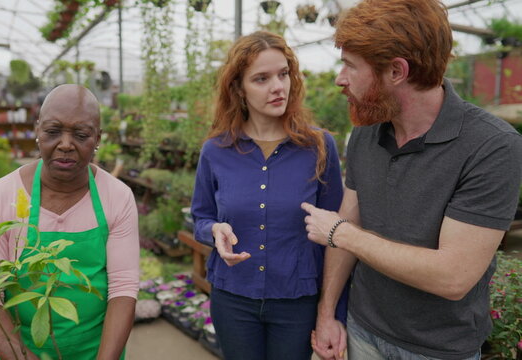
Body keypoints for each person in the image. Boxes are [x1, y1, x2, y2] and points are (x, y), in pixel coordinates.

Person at [301, 1, 522, 359]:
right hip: (362, 331)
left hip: (438, 349)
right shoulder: (366, 131)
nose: (340, 78)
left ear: (397, 71)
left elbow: (452, 277)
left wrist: (341, 233)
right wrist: (327, 314)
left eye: (350, 66)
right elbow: (350, 217)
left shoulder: (492, 146)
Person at [191, 31, 348, 360]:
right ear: (239, 89)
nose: (278, 86)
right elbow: (201, 218)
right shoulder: (215, 151)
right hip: (233, 299)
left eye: (283, 73)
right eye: (261, 79)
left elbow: (338, 235)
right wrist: (213, 230)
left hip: (297, 301)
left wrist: (331, 311)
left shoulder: (319, 147)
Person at [0, 84, 139, 360]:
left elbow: (123, 288)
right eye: (53, 131)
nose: (66, 144)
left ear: (97, 138)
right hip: (19, 351)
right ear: (37, 131)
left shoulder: (117, 197)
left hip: (99, 351)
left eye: (81, 134)